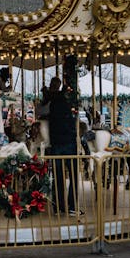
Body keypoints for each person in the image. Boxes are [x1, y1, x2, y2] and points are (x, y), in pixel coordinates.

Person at [41, 76, 81, 215]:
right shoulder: (62, 99)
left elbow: (43, 112)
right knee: (73, 174)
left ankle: (58, 206)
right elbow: (70, 121)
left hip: (56, 142)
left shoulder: (49, 101)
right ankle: (70, 206)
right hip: (68, 141)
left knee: (58, 176)